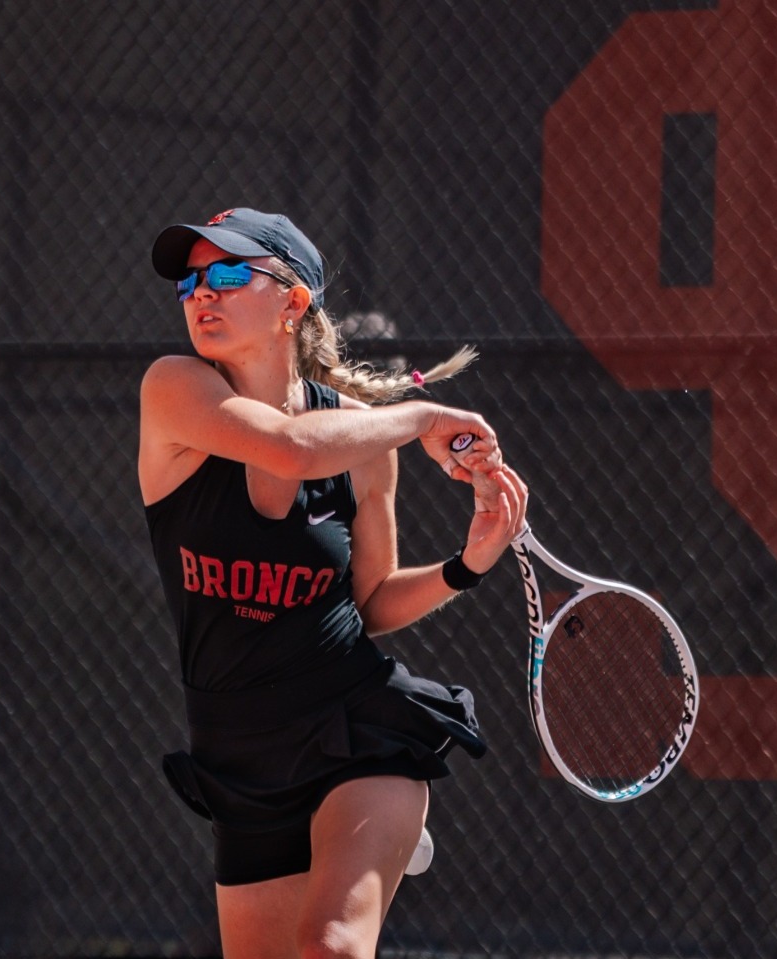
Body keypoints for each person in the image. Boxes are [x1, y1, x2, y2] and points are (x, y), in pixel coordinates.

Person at [138, 207, 528, 958]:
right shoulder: (173, 389)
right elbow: (288, 447)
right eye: (189, 281)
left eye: (226, 274)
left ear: (292, 302)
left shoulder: (362, 442)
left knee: (332, 947)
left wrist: (465, 564)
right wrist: (418, 417)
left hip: (355, 729)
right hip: (239, 757)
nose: (200, 294)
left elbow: (370, 603)